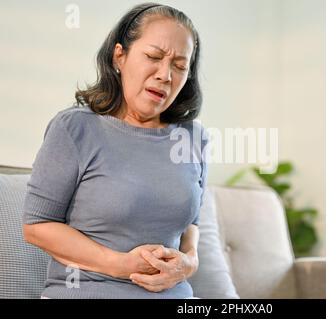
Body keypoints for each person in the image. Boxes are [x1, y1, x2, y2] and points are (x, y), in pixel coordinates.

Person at [22, 2, 208, 299]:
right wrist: (119, 264)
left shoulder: (193, 138)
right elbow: (37, 225)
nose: (165, 75)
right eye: (153, 57)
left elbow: (192, 223)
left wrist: (189, 262)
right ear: (119, 56)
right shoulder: (75, 128)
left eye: (179, 66)